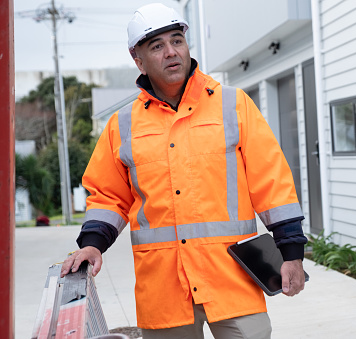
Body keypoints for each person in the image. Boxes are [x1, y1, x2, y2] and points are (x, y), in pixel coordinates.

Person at [60, 3, 308, 338]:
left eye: (177, 40)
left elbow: (272, 183)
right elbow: (108, 196)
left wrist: (291, 253)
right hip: (164, 289)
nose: (171, 52)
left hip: (232, 280)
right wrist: (92, 244)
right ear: (139, 60)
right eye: (157, 46)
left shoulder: (232, 105)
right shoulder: (124, 125)